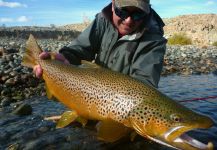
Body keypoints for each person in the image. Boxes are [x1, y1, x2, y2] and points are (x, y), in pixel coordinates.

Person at [34, 0, 167, 88]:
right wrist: (65, 58)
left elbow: (144, 85)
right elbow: (80, 49)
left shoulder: (153, 39)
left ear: (147, 11)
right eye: (123, 11)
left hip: (120, 101)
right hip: (91, 89)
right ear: (113, 5)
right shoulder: (102, 20)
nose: (128, 21)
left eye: (138, 14)